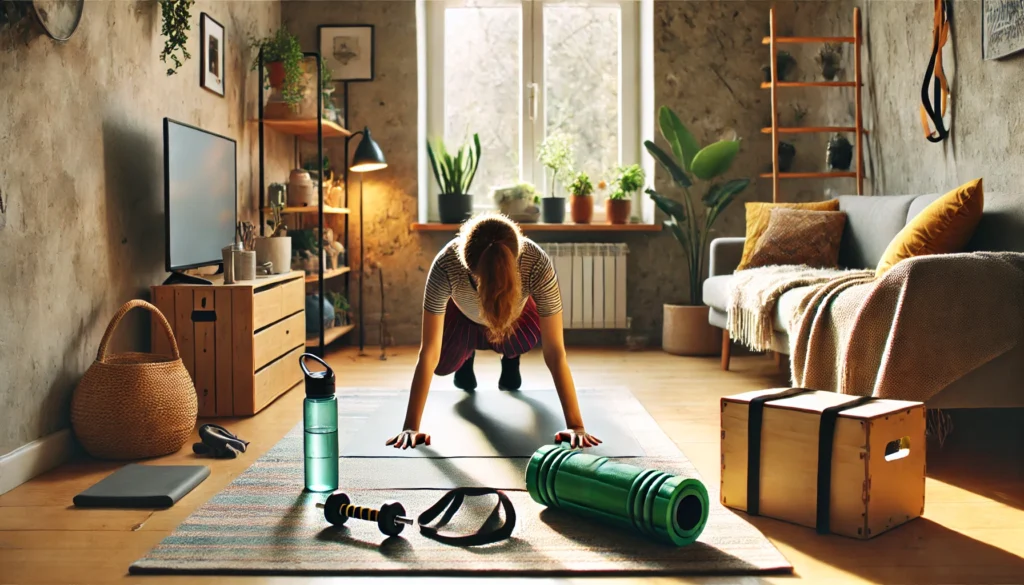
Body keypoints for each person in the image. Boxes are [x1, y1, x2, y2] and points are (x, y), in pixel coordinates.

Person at [385, 213, 602, 450]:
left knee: (526, 338)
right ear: (469, 269)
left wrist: (576, 426)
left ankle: (510, 358)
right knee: (442, 364)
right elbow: (429, 352)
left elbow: (555, 352)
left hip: (513, 317)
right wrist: (410, 426)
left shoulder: (536, 262)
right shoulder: (446, 264)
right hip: (463, 319)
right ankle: (466, 357)